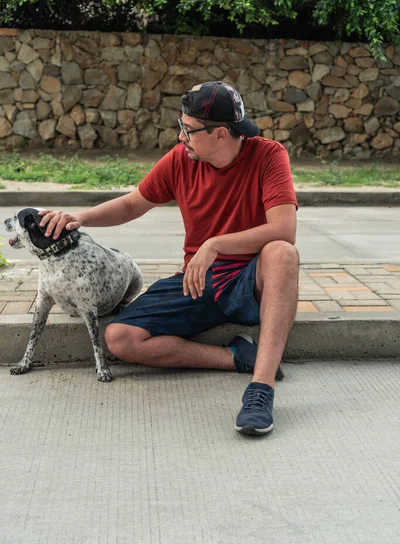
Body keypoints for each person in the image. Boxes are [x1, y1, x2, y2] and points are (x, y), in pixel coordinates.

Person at [39, 81, 299, 437]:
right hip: (197, 278)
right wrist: (81, 218)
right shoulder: (180, 160)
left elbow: (284, 229)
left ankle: (261, 389)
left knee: (282, 253)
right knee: (120, 338)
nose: (181, 138)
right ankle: (237, 357)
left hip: (250, 280)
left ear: (221, 133)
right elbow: (133, 203)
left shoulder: (268, 156)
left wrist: (215, 244)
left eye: (188, 130)